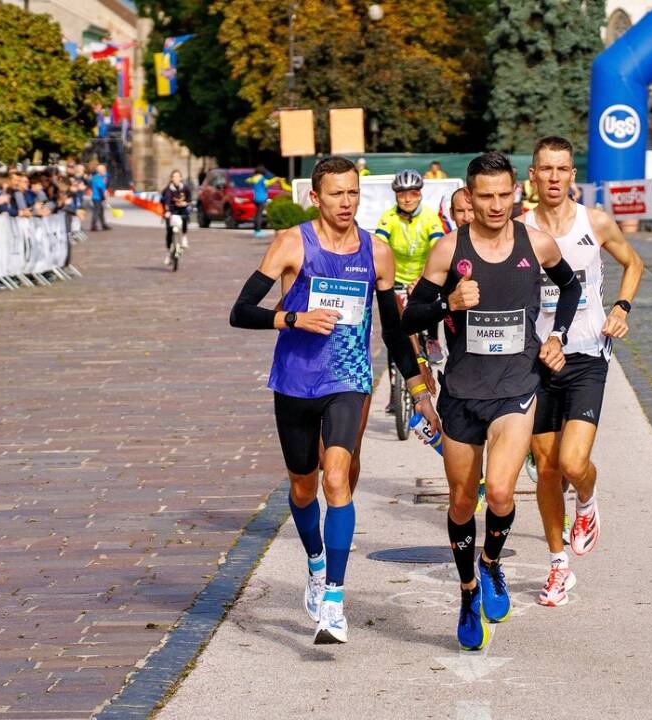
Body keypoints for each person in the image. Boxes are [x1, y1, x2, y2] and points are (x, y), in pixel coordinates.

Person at [229, 155, 439, 645]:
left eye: (353, 192)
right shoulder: (291, 243)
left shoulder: (376, 252)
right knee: (304, 488)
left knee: (338, 477)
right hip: (294, 384)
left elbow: (394, 327)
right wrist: (292, 319)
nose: (346, 202)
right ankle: (316, 561)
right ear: (315, 197)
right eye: (336, 194)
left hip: (349, 380)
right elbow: (240, 312)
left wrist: (418, 389)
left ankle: (334, 602)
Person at [402, 152, 582, 650]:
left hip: (516, 388)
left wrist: (558, 336)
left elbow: (570, 287)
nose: (496, 204)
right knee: (463, 501)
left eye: (505, 194)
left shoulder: (537, 243)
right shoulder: (447, 250)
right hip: (461, 393)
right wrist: (447, 304)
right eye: (485, 196)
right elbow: (409, 319)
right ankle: (466, 592)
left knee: (500, 494)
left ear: (515, 194)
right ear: (469, 197)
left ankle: (491, 566)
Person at [522, 136, 644, 607]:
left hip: (588, 352)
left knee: (573, 464)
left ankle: (588, 503)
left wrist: (622, 307)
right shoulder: (520, 230)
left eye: (562, 169)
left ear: (573, 175)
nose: (554, 178)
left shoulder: (595, 223)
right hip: (537, 360)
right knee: (547, 470)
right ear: (532, 176)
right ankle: (557, 568)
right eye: (545, 169)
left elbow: (634, 263)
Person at [375, 169, 447, 372]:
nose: (407, 199)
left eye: (413, 193)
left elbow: (438, 249)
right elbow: (379, 247)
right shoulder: (388, 217)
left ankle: (432, 339)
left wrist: (424, 278)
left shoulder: (430, 218)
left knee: (432, 299)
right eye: (401, 194)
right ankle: (393, 388)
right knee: (393, 326)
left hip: (424, 275)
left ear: (420, 194)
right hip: (396, 277)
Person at [161, 170, 192, 265]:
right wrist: (167, 212)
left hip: (182, 210)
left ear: (181, 178)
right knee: (169, 232)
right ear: (171, 179)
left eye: (178, 177)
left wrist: (185, 203)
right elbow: (166, 202)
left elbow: (189, 199)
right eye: (174, 177)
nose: (176, 179)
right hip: (171, 211)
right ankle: (168, 254)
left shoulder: (185, 188)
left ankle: (184, 237)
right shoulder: (168, 190)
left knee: (186, 216)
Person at [246, 166, 271, 238]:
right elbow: (267, 184)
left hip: (255, 197)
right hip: (262, 198)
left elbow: (247, 180)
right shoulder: (263, 179)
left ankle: (255, 230)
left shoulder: (254, 178)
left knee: (256, 214)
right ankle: (258, 231)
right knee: (259, 215)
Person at [90, 165, 111, 231]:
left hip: (96, 197)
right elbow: (102, 190)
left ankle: (103, 225)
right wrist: (105, 199)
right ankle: (93, 226)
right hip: (97, 197)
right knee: (96, 212)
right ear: (100, 170)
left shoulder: (96, 177)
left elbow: (108, 175)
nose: (105, 171)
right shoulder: (99, 179)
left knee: (101, 211)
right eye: (103, 170)